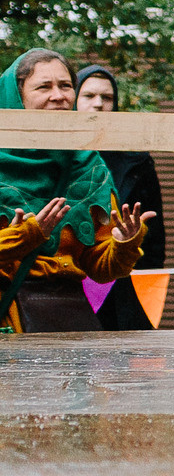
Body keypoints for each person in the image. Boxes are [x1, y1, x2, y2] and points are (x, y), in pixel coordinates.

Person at [0, 49, 150, 333]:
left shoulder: (90, 167)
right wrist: (26, 235)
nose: (59, 96)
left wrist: (125, 243)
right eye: (44, 87)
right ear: (15, 96)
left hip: (67, 325)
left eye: (66, 85)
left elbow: (102, 270)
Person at [73, 66, 165, 270]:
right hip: (71, 277)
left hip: (125, 276)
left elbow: (154, 233)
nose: (98, 104)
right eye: (89, 96)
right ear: (74, 99)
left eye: (107, 97)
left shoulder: (136, 161)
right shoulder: (57, 154)